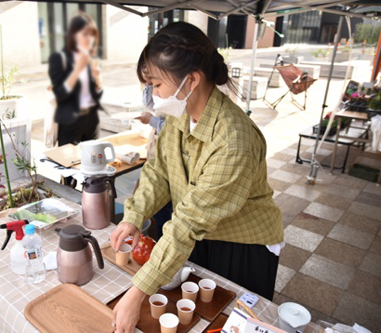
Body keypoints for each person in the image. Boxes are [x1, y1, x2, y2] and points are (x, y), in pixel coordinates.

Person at [110, 22, 284, 333]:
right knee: (196, 317)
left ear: (190, 80)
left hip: (242, 246)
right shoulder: (179, 116)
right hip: (201, 234)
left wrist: (138, 292)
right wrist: (133, 217)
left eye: (157, 84)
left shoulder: (234, 138)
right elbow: (158, 172)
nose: (152, 94)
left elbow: (189, 221)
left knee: (230, 322)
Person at [48, 13, 102, 147]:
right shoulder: (59, 58)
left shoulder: (91, 59)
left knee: (93, 164)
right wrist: (77, 70)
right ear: (73, 35)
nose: (89, 39)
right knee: (69, 164)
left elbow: (96, 96)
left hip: (91, 121)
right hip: (69, 123)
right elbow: (60, 94)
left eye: (92, 34)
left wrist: (97, 80)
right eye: (85, 34)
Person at [137, 82, 172, 240]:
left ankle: (162, 242)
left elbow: (173, 125)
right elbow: (149, 103)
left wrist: (152, 120)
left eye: (157, 83)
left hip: (167, 157)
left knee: (165, 211)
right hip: (156, 148)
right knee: (159, 210)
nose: (154, 91)